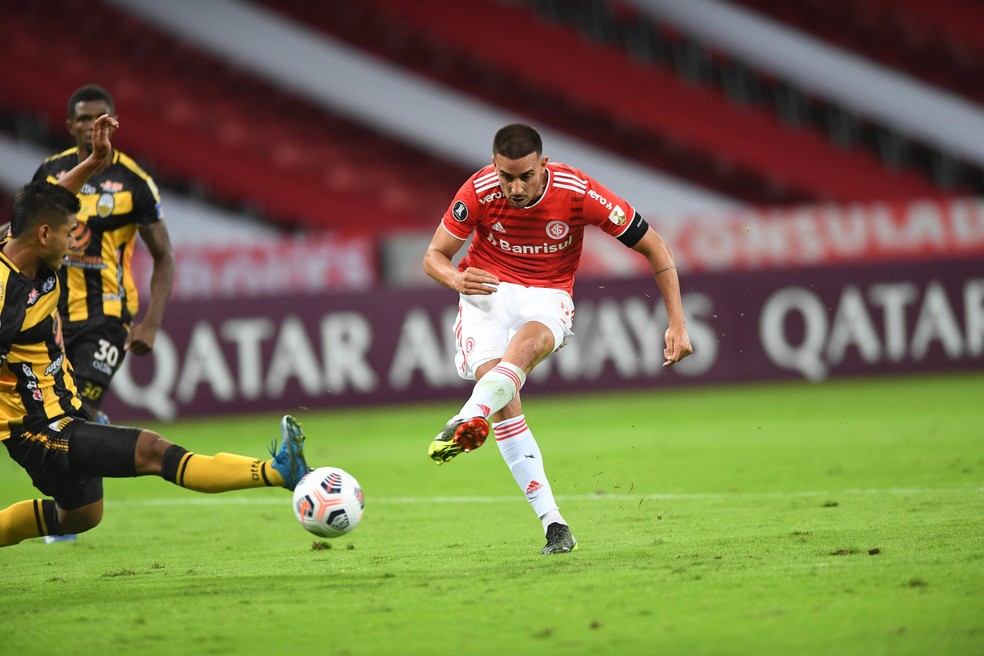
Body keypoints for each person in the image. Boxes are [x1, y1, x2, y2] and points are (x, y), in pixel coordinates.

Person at [0, 115, 311, 548]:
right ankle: (277, 471)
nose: (74, 244)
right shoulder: (7, 296)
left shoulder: (20, 239)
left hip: (63, 409)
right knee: (152, 451)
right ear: (44, 234)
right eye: (70, 234)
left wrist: (93, 162)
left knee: (82, 515)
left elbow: (49, 200)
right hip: (40, 428)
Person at [423, 123, 693, 555]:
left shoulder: (578, 192)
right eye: (506, 176)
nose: (515, 188)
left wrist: (677, 323)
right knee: (504, 395)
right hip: (486, 291)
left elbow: (655, 247)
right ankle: (555, 525)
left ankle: (468, 416)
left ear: (543, 165)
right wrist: (456, 278)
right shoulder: (478, 190)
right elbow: (433, 256)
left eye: (525, 176)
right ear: (494, 166)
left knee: (524, 353)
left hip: (547, 294)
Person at [32, 84, 175, 426]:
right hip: (52, 314)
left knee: (77, 411)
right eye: (84, 118)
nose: (92, 125)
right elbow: (27, 234)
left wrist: (151, 324)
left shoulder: (135, 182)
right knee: (55, 418)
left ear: (113, 124)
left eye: (100, 117)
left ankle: (96, 425)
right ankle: (101, 428)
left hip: (107, 317)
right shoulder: (50, 173)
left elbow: (164, 257)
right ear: (70, 125)